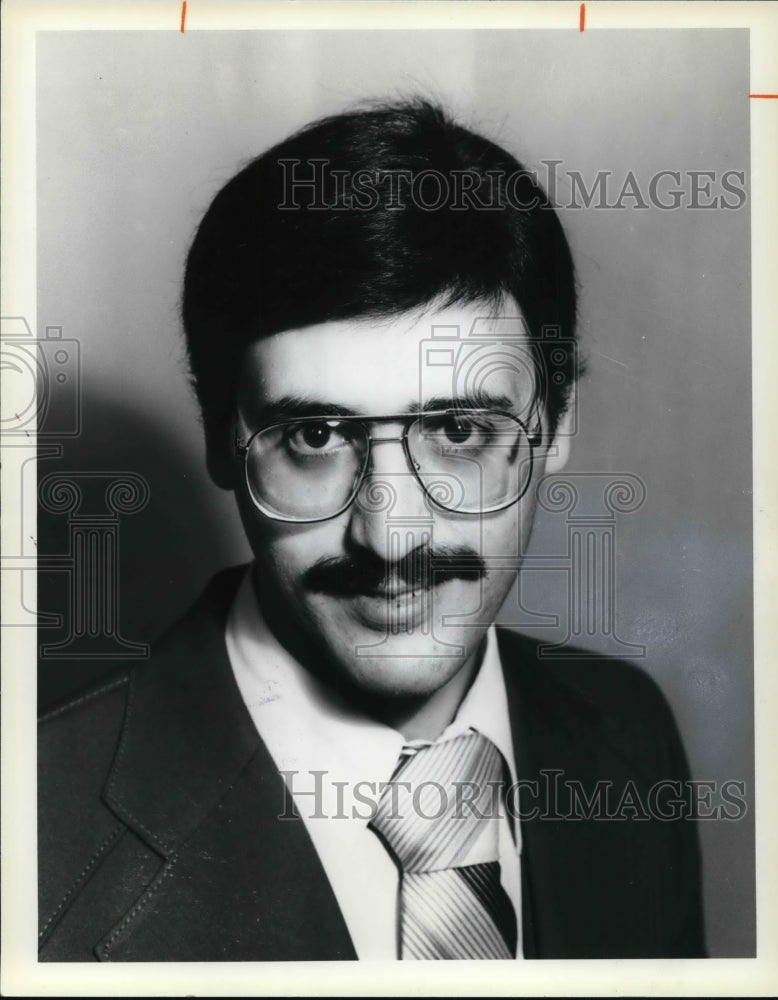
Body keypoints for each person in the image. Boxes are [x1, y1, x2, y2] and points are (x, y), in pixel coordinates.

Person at [38, 99, 706, 961]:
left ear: (558, 420)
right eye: (315, 437)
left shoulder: (627, 732)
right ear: (218, 440)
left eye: (458, 431)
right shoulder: (37, 835)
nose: (389, 540)